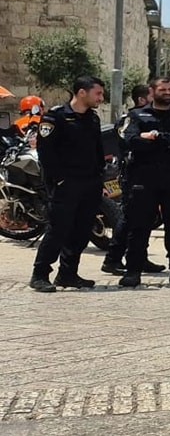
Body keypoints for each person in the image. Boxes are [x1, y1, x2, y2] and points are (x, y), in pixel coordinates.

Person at [29, 76, 106, 292]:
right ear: (82, 92)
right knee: (58, 230)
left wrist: (100, 175)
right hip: (66, 184)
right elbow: (46, 153)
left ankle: (68, 274)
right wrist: (59, 179)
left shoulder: (92, 118)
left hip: (90, 183)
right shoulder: (55, 117)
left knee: (81, 230)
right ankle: (40, 274)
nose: (101, 97)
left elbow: (97, 150)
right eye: (97, 93)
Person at [120, 77, 170, 288]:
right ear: (152, 92)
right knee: (139, 226)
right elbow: (130, 141)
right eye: (163, 89)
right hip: (144, 178)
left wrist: (154, 137)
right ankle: (133, 271)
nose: (168, 92)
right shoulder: (136, 115)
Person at [101, 84, 166, 276]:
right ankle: (112, 260)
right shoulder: (129, 120)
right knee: (128, 219)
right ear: (142, 100)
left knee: (146, 220)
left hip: (151, 176)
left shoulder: (152, 118)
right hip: (133, 176)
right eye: (154, 96)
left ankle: (139, 257)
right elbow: (130, 142)